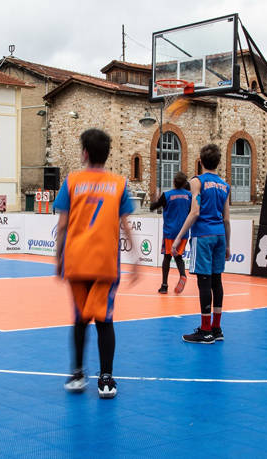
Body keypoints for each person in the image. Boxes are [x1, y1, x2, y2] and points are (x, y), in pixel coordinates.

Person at [54, 128, 139, 399]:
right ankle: (106, 379)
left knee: (80, 319)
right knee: (104, 320)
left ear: (85, 153)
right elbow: (125, 225)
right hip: (105, 264)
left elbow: (62, 225)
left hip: (77, 261)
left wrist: (58, 258)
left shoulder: (72, 181)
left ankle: (78, 374)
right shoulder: (119, 184)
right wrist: (136, 259)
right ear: (107, 154)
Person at [172, 144, 231, 344]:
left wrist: (179, 237)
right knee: (217, 281)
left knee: (204, 282)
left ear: (201, 161)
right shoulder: (224, 185)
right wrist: (228, 244)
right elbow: (227, 219)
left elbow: (195, 212)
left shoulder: (197, 182)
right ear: (218, 162)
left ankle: (205, 331)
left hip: (203, 235)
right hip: (220, 235)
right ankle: (217, 328)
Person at [149, 171, 191, 294]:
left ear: (174, 182)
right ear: (185, 183)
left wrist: (156, 201)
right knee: (178, 256)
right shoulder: (189, 196)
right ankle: (182, 274)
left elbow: (152, 207)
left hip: (170, 232)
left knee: (167, 257)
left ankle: (164, 285)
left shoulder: (167, 195)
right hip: (183, 232)